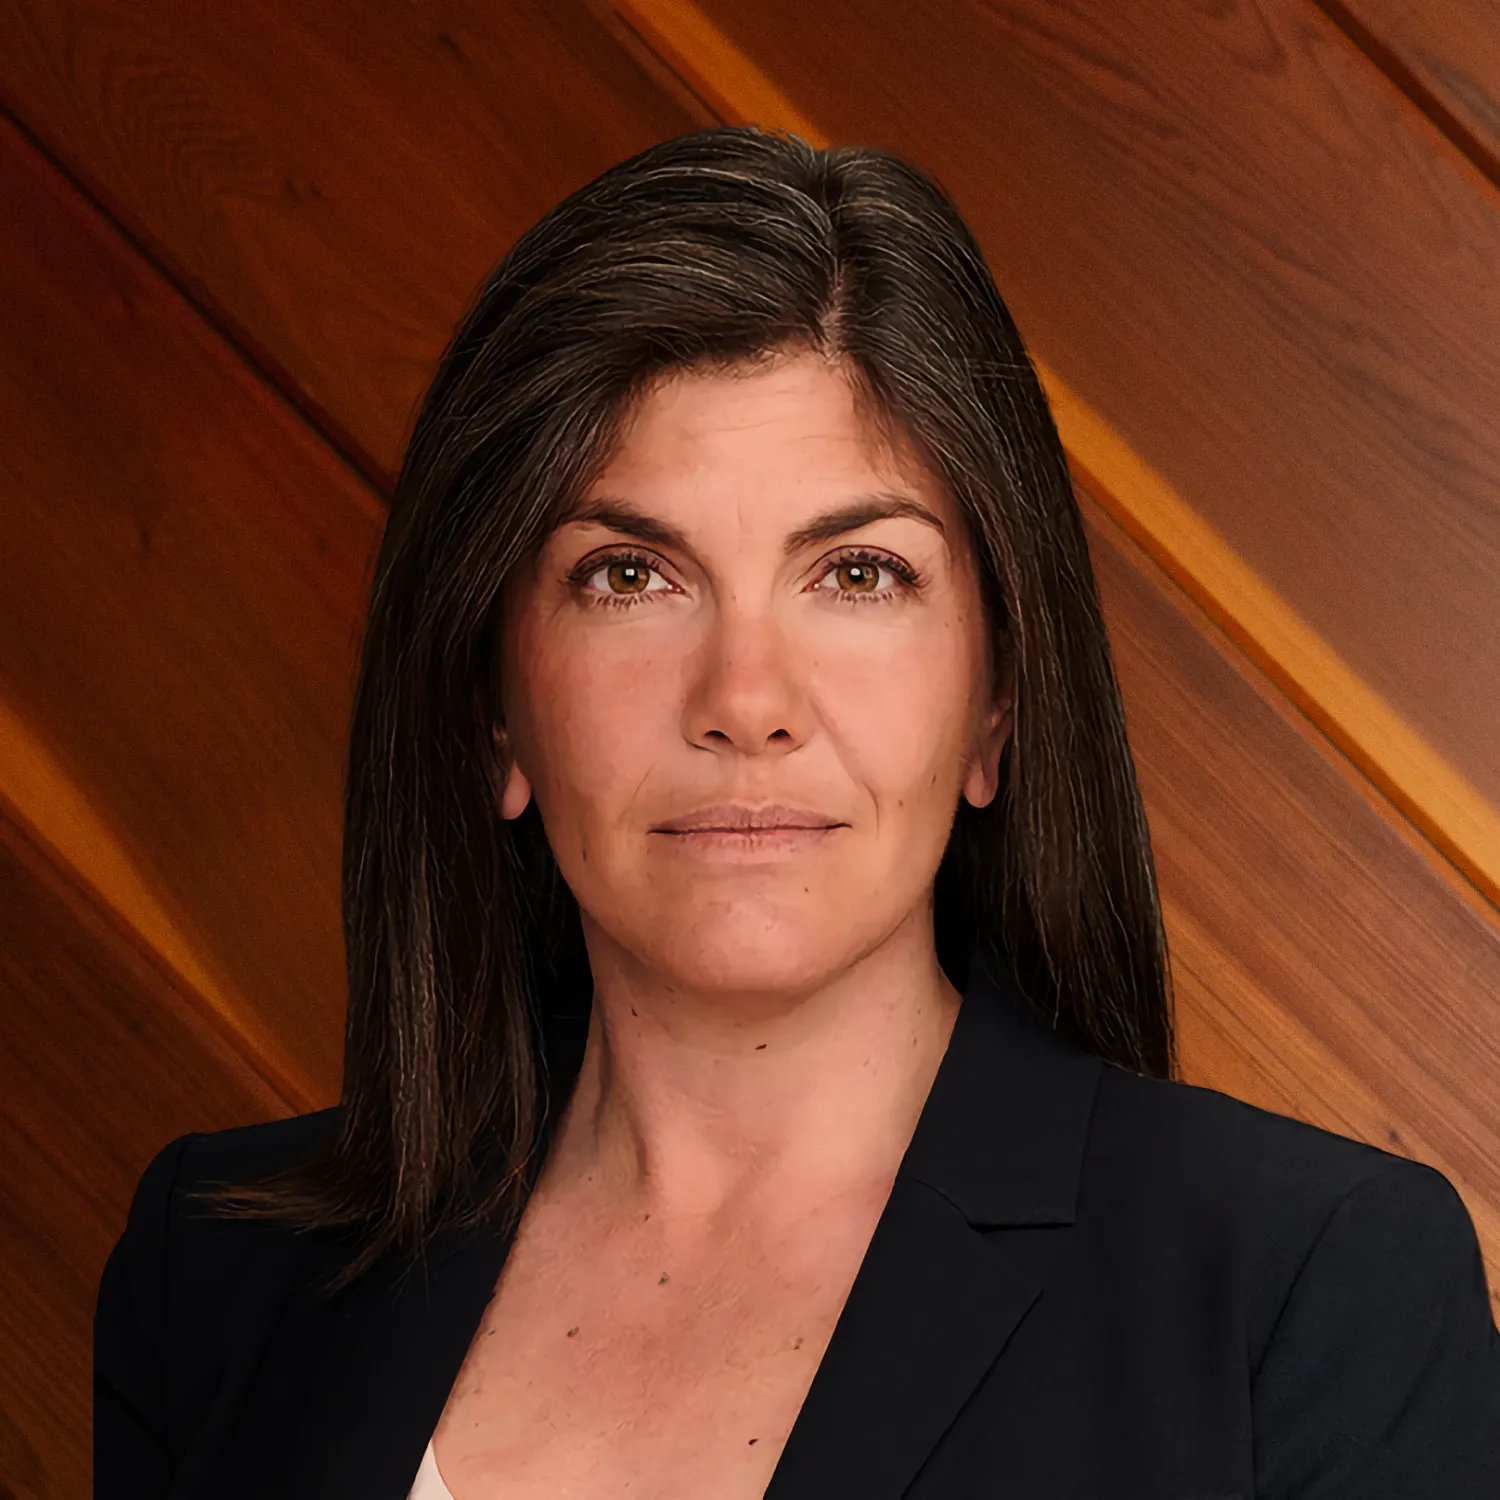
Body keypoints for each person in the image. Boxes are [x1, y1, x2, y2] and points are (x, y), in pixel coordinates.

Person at [94, 125, 1500, 1499]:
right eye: (630, 576)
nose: (747, 698)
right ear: (494, 709)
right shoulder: (215, 1282)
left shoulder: (1306, 1294)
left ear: (996, 702)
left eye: (861, 574)